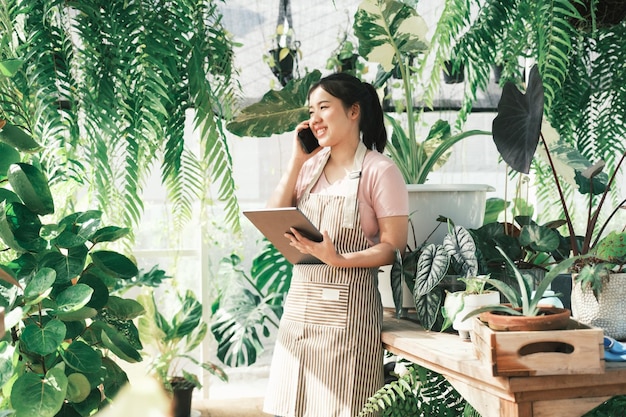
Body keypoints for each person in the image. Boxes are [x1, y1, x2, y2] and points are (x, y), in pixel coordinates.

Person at [262, 72, 409, 417]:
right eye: (311, 110)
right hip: (299, 313)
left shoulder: (380, 171)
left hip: (348, 322)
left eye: (323, 108)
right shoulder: (309, 168)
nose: (314, 119)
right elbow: (273, 216)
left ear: (354, 111)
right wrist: (296, 160)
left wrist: (339, 258)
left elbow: (394, 247)